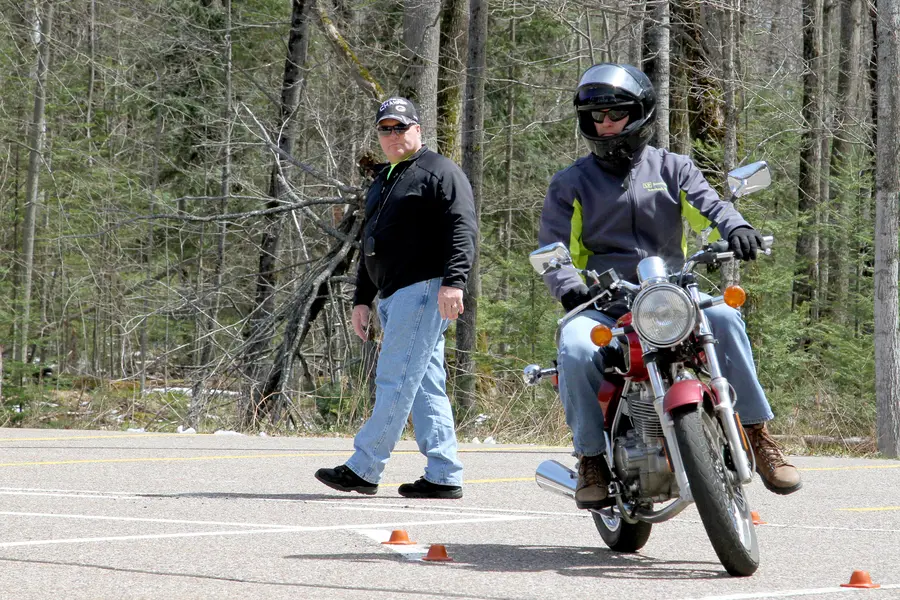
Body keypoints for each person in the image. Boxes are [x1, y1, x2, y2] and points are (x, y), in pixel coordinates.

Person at [538, 63, 802, 510]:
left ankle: (756, 433)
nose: (606, 124)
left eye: (616, 114)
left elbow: (711, 207)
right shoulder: (571, 183)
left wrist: (737, 229)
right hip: (607, 300)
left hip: (672, 292)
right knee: (577, 347)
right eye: (597, 116)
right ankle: (591, 458)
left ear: (640, 113)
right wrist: (568, 286)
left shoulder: (674, 167)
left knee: (725, 317)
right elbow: (553, 245)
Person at [315, 97, 477, 500]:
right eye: (385, 129)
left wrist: (454, 282)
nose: (392, 135)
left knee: (394, 378)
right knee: (424, 386)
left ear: (417, 130)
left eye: (400, 127)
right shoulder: (385, 179)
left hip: (424, 288)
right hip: (391, 294)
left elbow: (463, 228)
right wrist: (362, 299)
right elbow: (370, 241)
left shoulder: (440, 171)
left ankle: (364, 467)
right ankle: (444, 473)